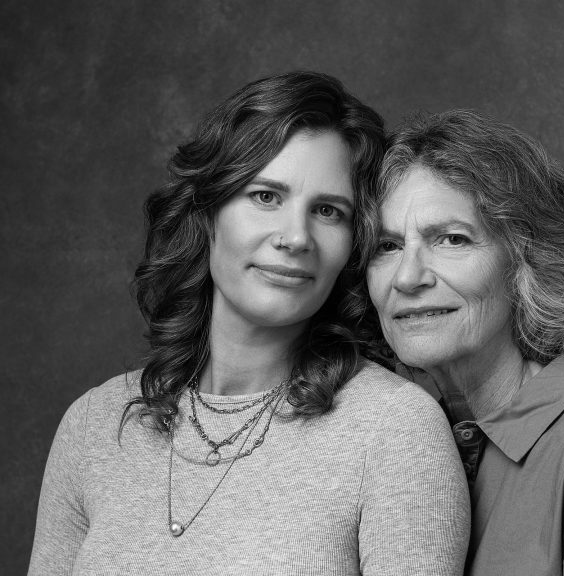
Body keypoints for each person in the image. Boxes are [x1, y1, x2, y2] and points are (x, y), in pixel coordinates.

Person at [29, 72, 470, 576]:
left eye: (327, 211)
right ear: (209, 211)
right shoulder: (94, 427)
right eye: (265, 197)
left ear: (353, 244)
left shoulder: (396, 432)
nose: (294, 237)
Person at [365, 110, 564, 575]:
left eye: (452, 240)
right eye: (387, 245)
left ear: (525, 262)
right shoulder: (399, 438)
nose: (408, 277)